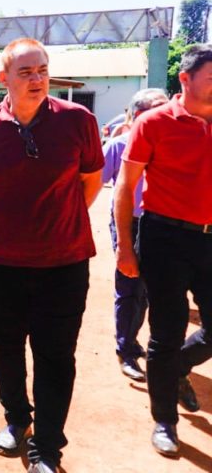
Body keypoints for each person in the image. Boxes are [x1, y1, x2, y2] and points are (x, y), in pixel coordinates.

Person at [0, 38, 103, 473]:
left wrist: (56, 222)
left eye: (42, 70)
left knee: (56, 355)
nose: (37, 78)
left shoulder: (78, 120)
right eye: (26, 72)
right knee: (5, 349)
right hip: (2, 265)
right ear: (4, 79)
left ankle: (48, 445)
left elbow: (90, 182)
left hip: (65, 261)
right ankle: (18, 419)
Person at [115, 43, 212, 457]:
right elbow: (125, 186)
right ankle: (164, 422)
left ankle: (176, 370)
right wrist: (124, 248)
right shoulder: (154, 123)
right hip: (164, 238)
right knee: (166, 332)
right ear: (185, 79)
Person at [101, 88, 169, 382]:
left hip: (165, 222)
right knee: (130, 287)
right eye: (158, 111)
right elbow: (92, 180)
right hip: (131, 221)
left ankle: (133, 340)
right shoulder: (118, 146)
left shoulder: (175, 147)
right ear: (138, 116)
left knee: (149, 289)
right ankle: (125, 349)